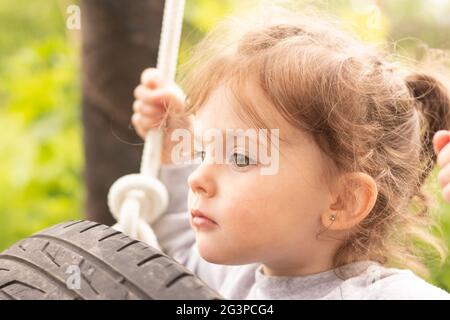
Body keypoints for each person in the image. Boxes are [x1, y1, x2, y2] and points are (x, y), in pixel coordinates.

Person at [131, 7, 450, 299]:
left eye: (241, 158)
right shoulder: (238, 282)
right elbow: (181, 252)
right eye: (203, 151)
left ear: (343, 200)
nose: (197, 179)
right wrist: (174, 142)